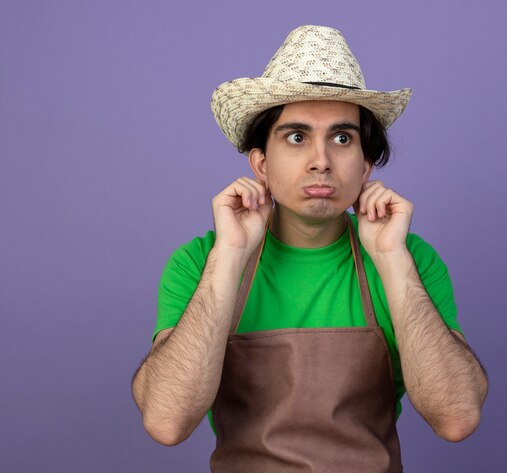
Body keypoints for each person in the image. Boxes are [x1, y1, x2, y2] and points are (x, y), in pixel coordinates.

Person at [132, 25, 488, 472]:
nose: (321, 160)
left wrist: (392, 259)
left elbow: (456, 418)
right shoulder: (200, 261)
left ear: (366, 165)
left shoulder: (410, 258)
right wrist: (229, 257)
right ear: (260, 163)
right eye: (296, 137)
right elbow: (167, 421)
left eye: (342, 138)